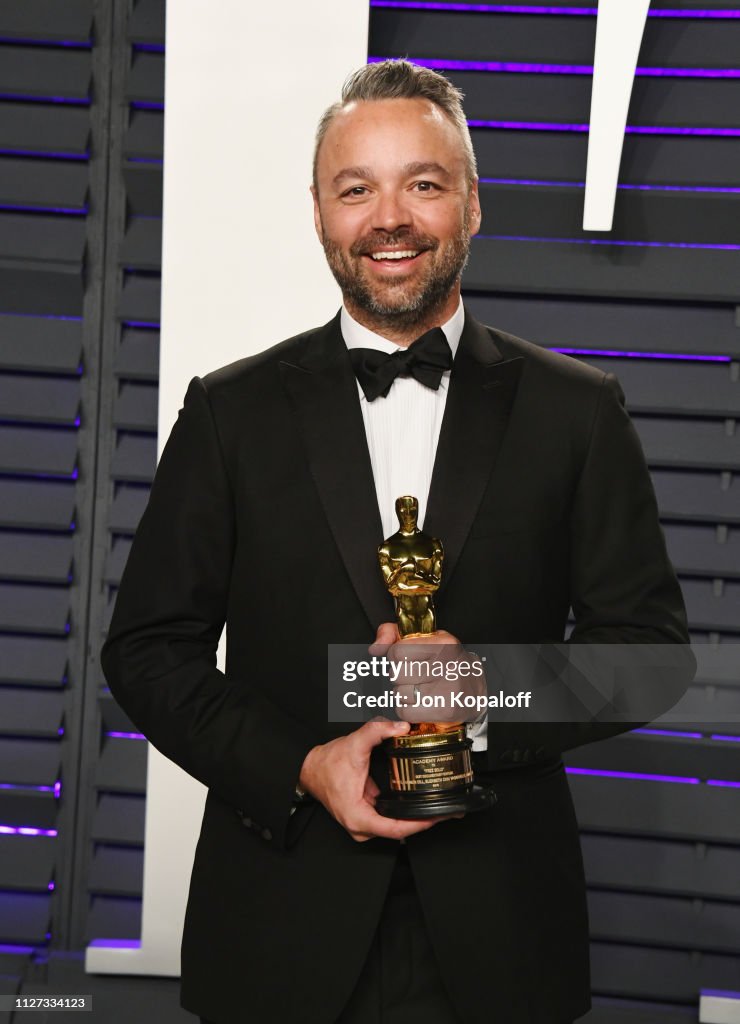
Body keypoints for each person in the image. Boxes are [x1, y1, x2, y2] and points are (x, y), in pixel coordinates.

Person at [102, 60, 693, 1024]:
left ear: (470, 203)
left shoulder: (578, 412)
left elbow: (652, 656)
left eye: (422, 183)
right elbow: (146, 652)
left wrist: (483, 693)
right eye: (357, 188)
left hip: (502, 935)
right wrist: (303, 762)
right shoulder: (229, 413)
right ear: (320, 210)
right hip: (277, 927)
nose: (390, 218)